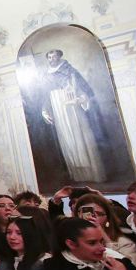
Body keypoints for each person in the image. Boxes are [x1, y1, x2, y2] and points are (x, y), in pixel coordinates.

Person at [41, 49, 106, 183]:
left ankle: (92, 174)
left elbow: (83, 91)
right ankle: (78, 176)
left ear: (59, 57)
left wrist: (80, 99)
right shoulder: (45, 76)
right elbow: (45, 97)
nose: (52, 59)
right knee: (67, 140)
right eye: (49, 57)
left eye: (54, 56)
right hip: (57, 107)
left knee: (81, 138)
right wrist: (45, 111)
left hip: (73, 107)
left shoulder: (70, 71)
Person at [72, 192, 136, 270]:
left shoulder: (124, 243)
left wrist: (103, 235)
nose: (92, 217)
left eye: (98, 213)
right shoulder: (71, 242)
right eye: (87, 213)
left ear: (108, 218)